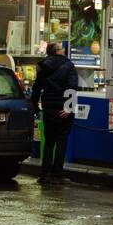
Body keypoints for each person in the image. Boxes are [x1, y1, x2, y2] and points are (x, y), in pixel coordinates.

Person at [30, 40, 79, 185]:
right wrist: (69, 108)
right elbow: (72, 87)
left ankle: (45, 175)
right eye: (62, 49)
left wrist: (35, 105)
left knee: (49, 142)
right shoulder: (68, 66)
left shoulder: (43, 66)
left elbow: (37, 88)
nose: (63, 50)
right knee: (61, 141)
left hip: (49, 108)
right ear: (58, 51)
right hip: (63, 108)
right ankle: (57, 174)